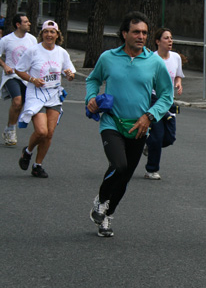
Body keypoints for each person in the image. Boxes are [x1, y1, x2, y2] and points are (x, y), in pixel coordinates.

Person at [86, 12, 172, 237]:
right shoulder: (108, 57)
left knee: (124, 178)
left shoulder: (154, 62)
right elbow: (93, 79)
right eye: (136, 32)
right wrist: (91, 98)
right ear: (125, 34)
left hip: (139, 126)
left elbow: (166, 95)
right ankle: (101, 200)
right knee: (119, 165)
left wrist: (150, 116)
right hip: (111, 122)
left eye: (144, 32)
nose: (141, 36)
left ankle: (107, 216)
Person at [14, 20, 75, 178]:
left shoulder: (62, 52)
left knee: (49, 134)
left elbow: (70, 73)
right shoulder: (33, 51)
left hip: (54, 95)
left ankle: (37, 165)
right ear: (42, 34)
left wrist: (69, 74)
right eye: (46, 32)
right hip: (36, 95)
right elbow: (19, 70)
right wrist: (33, 80)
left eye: (52, 32)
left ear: (57, 35)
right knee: (41, 131)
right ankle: (27, 152)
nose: (49, 34)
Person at [143, 28, 185, 180]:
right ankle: (151, 170)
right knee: (158, 135)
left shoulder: (176, 58)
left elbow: (178, 76)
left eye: (171, 38)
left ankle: (148, 143)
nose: (170, 41)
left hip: (169, 101)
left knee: (169, 138)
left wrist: (178, 84)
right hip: (153, 100)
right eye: (166, 38)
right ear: (158, 41)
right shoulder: (151, 58)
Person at [0, 13, 37, 146]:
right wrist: (5, 66)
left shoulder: (32, 39)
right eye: (26, 22)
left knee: (23, 105)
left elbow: (37, 57)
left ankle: (10, 126)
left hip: (27, 77)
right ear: (18, 24)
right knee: (17, 101)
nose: (29, 23)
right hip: (12, 76)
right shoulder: (6, 40)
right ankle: (11, 129)